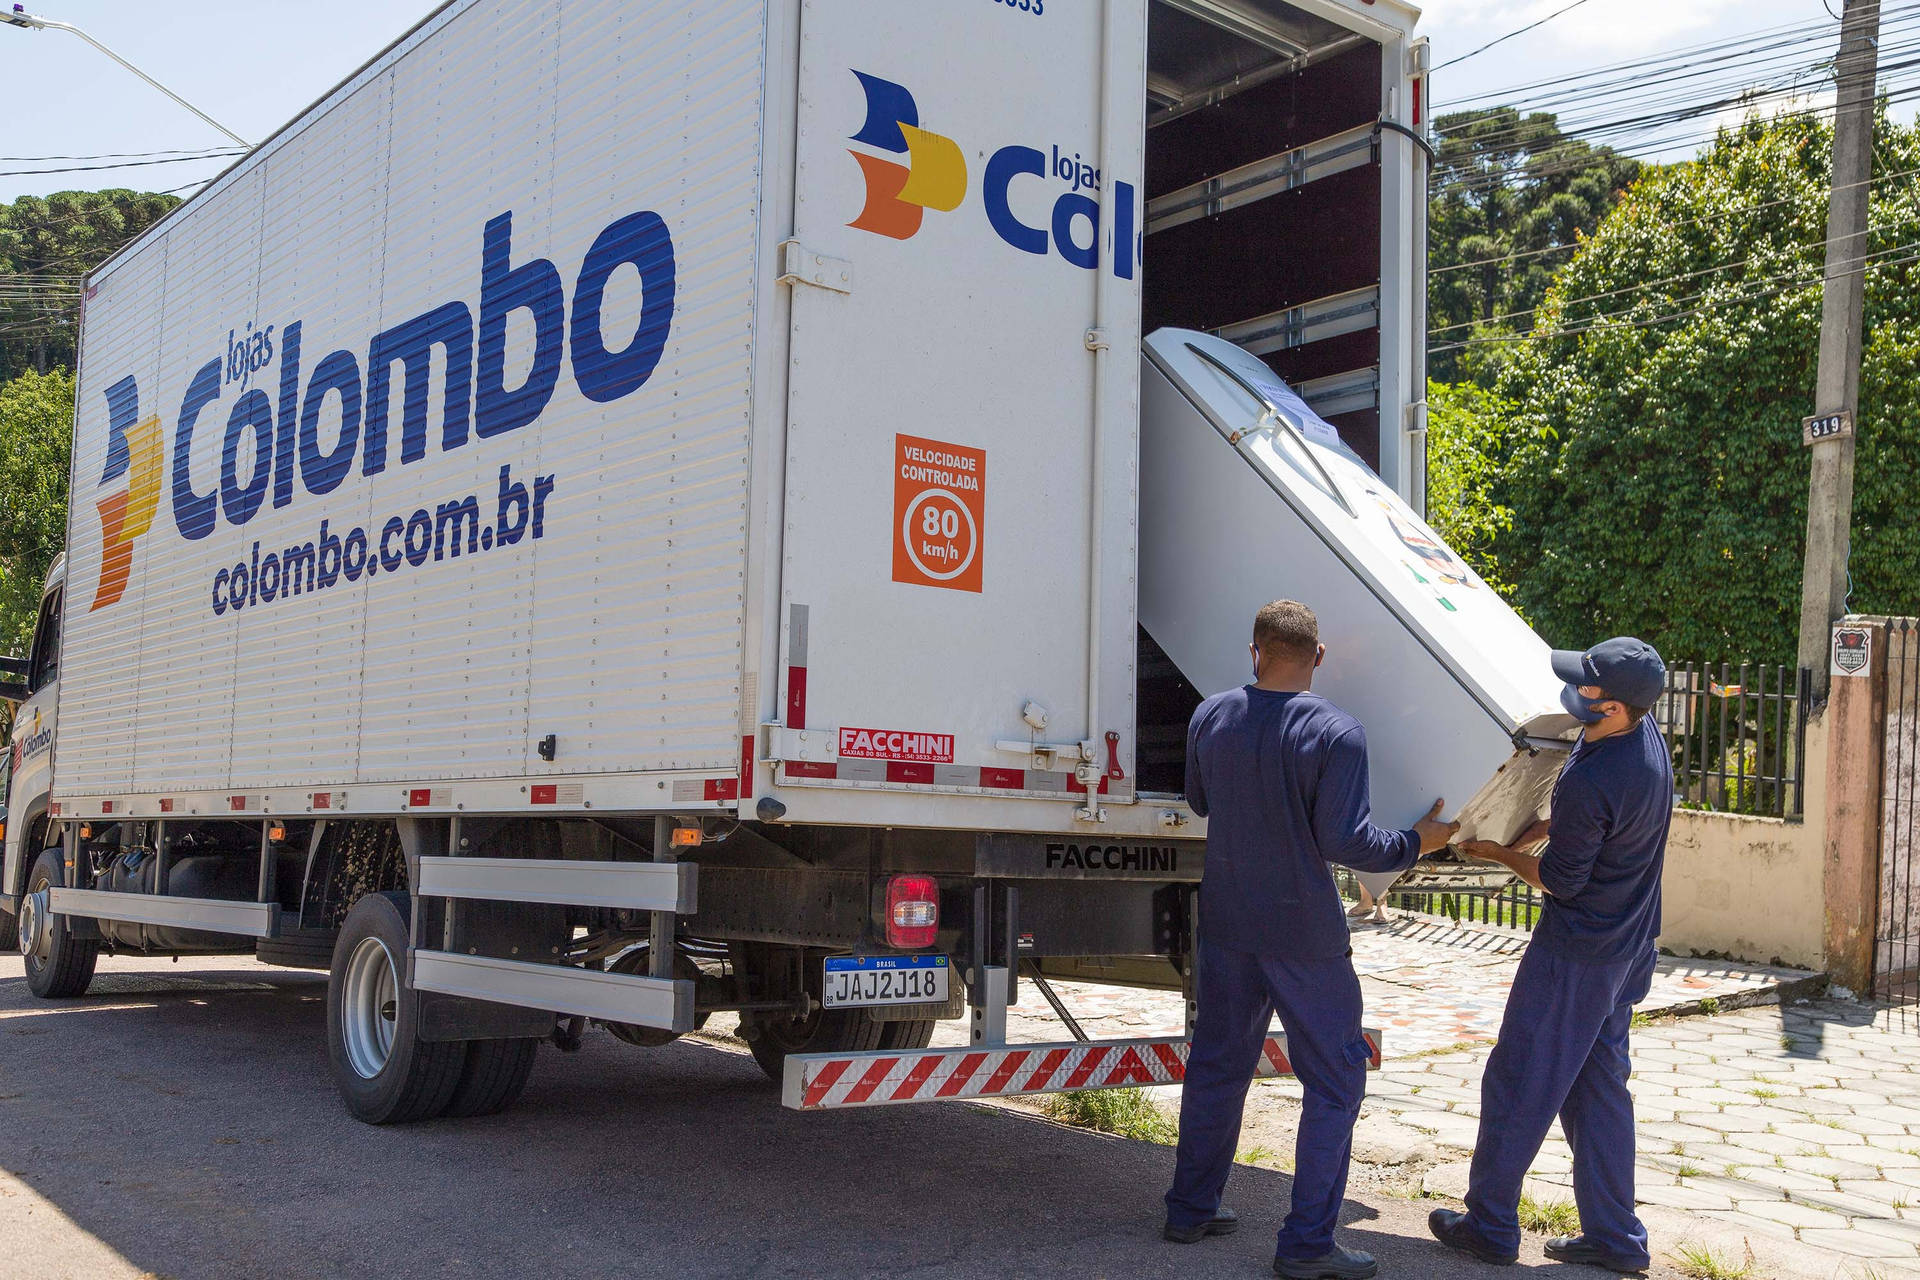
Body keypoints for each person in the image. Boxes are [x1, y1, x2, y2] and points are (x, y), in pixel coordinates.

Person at [1164, 599, 1457, 1280]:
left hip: (1229, 922)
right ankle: (1305, 1246)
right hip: (1303, 932)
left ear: (1254, 650)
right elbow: (1348, 842)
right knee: (1334, 1080)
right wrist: (1422, 842)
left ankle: (1189, 1209)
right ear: (1318, 657)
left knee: (1217, 1065)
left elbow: (1200, 801)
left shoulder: (1211, 715)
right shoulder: (1336, 732)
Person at [1428, 637, 1672, 1273]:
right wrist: (1541, 827)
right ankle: (1616, 1239)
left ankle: (1489, 1225)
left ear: (1613, 707)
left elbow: (1561, 879)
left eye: (1586, 689)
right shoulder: (1644, 743)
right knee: (1597, 1090)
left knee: (1520, 1080)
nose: (1573, 693)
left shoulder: (1597, 773)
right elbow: (1592, 825)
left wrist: (1501, 853)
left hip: (1576, 954)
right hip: (1626, 948)